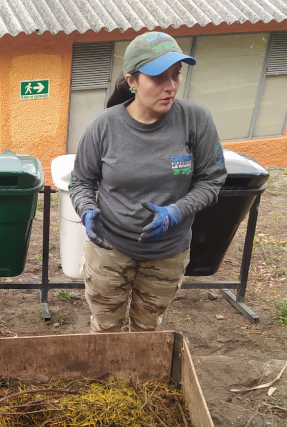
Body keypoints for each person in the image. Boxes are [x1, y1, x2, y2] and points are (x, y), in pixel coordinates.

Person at [70, 31, 227, 333]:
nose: (170, 87)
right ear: (132, 81)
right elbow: (81, 182)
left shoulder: (195, 120)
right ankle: (105, 377)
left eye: (176, 75)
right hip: (109, 249)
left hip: (167, 253)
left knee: (146, 331)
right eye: (158, 78)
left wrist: (178, 212)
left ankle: (135, 378)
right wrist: (87, 210)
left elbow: (212, 179)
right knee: (105, 329)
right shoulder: (104, 126)